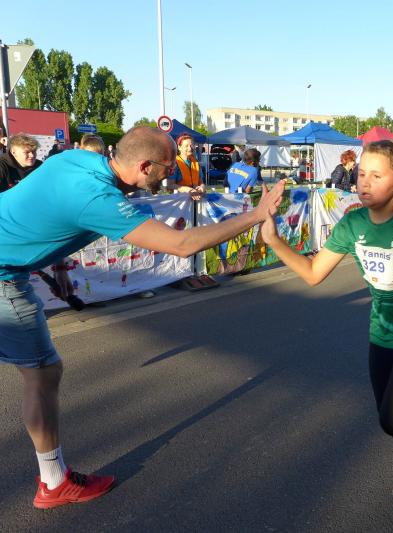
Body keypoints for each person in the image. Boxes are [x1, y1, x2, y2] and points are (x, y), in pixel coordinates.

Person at [0, 126, 285, 509]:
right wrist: (256, 215)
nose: (171, 174)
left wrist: (60, 267)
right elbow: (181, 244)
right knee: (42, 373)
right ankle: (54, 483)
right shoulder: (98, 199)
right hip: (4, 277)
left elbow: (40, 210)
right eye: (167, 168)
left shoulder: (76, 160)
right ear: (145, 166)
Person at [260, 140, 393, 501]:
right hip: (381, 332)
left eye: (376, 176)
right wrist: (274, 241)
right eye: (361, 174)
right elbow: (313, 273)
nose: (364, 182)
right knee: (387, 415)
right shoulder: (351, 224)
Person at [167, 133, 205, 199]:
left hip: (197, 200)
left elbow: (201, 182)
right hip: (181, 200)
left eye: (191, 145)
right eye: (186, 146)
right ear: (179, 147)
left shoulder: (196, 162)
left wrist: (202, 187)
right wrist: (187, 189)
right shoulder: (175, 163)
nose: (190, 148)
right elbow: (170, 185)